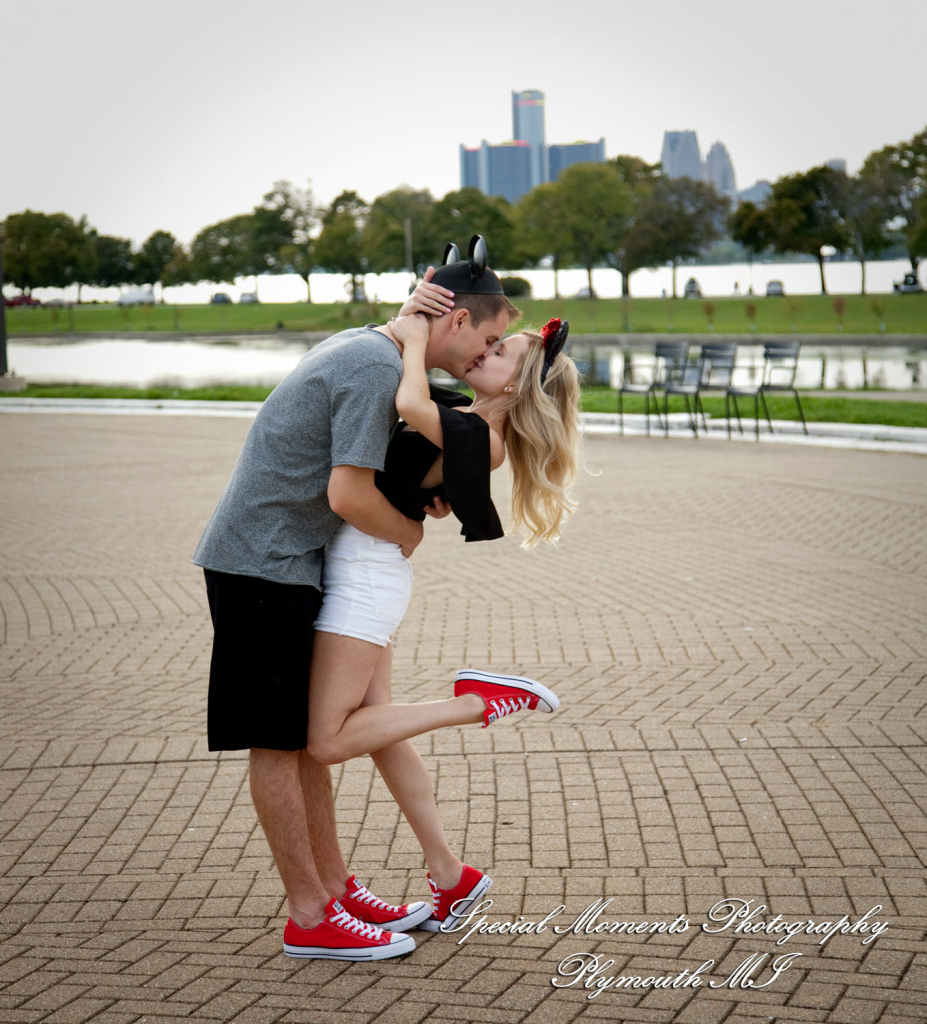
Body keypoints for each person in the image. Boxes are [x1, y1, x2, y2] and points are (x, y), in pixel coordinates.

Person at [193, 239, 519, 961]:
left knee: (306, 741)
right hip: (262, 562)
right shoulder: (375, 368)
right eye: (489, 338)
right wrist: (409, 530)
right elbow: (347, 493)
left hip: (289, 560)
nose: (484, 353)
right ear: (456, 318)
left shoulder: (370, 346)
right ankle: (311, 914)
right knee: (282, 745)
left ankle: (334, 889)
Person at [302, 246, 582, 938]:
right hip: (369, 564)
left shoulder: (478, 437)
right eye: (491, 340)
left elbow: (404, 400)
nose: (485, 351)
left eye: (501, 351)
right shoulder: (463, 416)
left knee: (326, 741)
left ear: (517, 388)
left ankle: (475, 702)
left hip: (365, 573)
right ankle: (449, 873)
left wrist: (413, 335)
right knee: (380, 729)